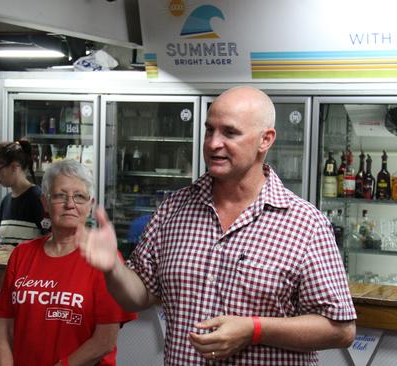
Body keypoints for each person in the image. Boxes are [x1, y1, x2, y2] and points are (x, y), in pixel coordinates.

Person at [81, 86, 356, 365]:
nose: (213, 143)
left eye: (230, 132)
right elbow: (139, 296)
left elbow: (340, 330)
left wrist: (254, 330)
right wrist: (113, 269)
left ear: (266, 140)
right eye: (209, 130)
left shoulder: (305, 223)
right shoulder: (173, 210)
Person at [0, 159, 137, 366]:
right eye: (60, 195)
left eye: (79, 196)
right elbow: (4, 332)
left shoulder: (104, 260)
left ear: (90, 205)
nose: (70, 204)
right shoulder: (21, 255)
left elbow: (104, 341)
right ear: (45, 203)